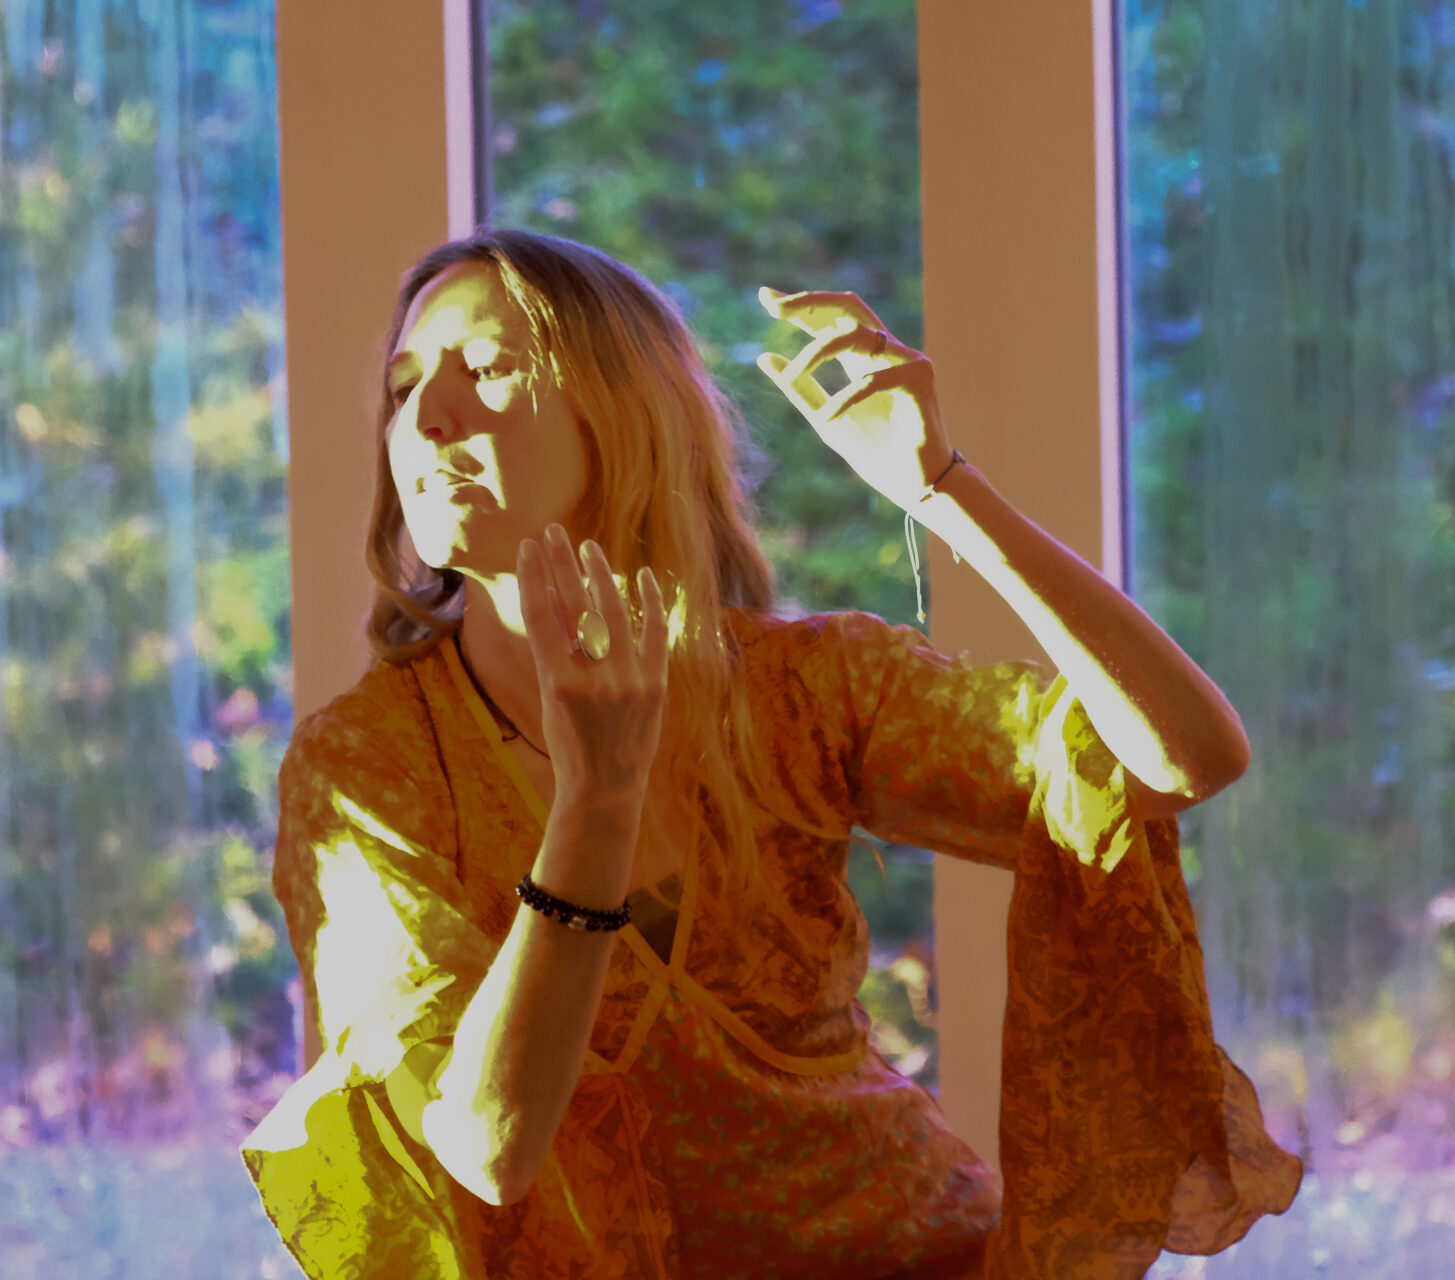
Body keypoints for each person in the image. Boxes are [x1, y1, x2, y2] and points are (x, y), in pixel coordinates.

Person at [239, 227, 1301, 1279]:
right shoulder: (369, 767)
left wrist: (943, 488)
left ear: (623, 413)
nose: (428, 416)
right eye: (404, 386)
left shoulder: (799, 688)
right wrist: (597, 800)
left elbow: (1185, 757)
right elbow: (486, 1147)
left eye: (487, 368)